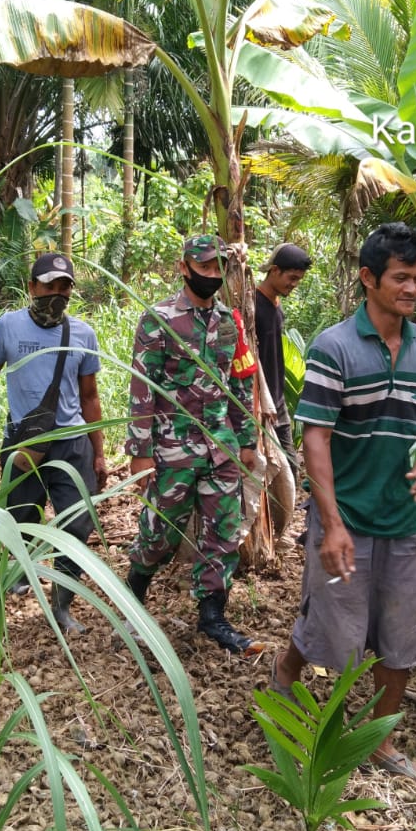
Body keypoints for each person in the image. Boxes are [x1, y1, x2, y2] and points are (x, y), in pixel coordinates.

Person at [269, 222, 416, 781]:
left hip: (401, 519)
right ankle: (287, 670)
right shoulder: (334, 348)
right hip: (345, 518)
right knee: (338, 632)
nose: (412, 289)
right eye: (401, 278)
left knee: (401, 633)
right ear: (368, 279)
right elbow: (316, 438)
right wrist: (330, 523)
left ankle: (378, 736)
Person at [123, 233, 265, 655]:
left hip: (220, 446)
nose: (212, 276)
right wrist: (140, 454)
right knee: (160, 535)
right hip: (173, 448)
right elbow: (142, 389)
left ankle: (213, 617)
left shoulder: (229, 321)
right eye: (204, 268)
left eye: (219, 269)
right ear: (184, 268)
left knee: (222, 534)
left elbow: (239, 382)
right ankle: (132, 604)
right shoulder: (159, 318)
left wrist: (246, 439)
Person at [0, 252, 108, 634]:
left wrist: (100, 452)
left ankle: (61, 605)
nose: (55, 294)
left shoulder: (83, 334)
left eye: (63, 287)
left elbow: (90, 397)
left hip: (72, 443)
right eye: (48, 286)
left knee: (76, 524)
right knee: (22, 520)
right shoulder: (7, 327)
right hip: (24, 444)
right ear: (31, 287)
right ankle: (24, 573)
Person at [254, 242, 312, 477]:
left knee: (288, 469)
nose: (294, 284)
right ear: (275, 270)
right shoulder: (254, 305)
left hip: (276, 402)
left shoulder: (275, 305)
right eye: (292, 277)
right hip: (258, 403)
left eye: (299, 279)